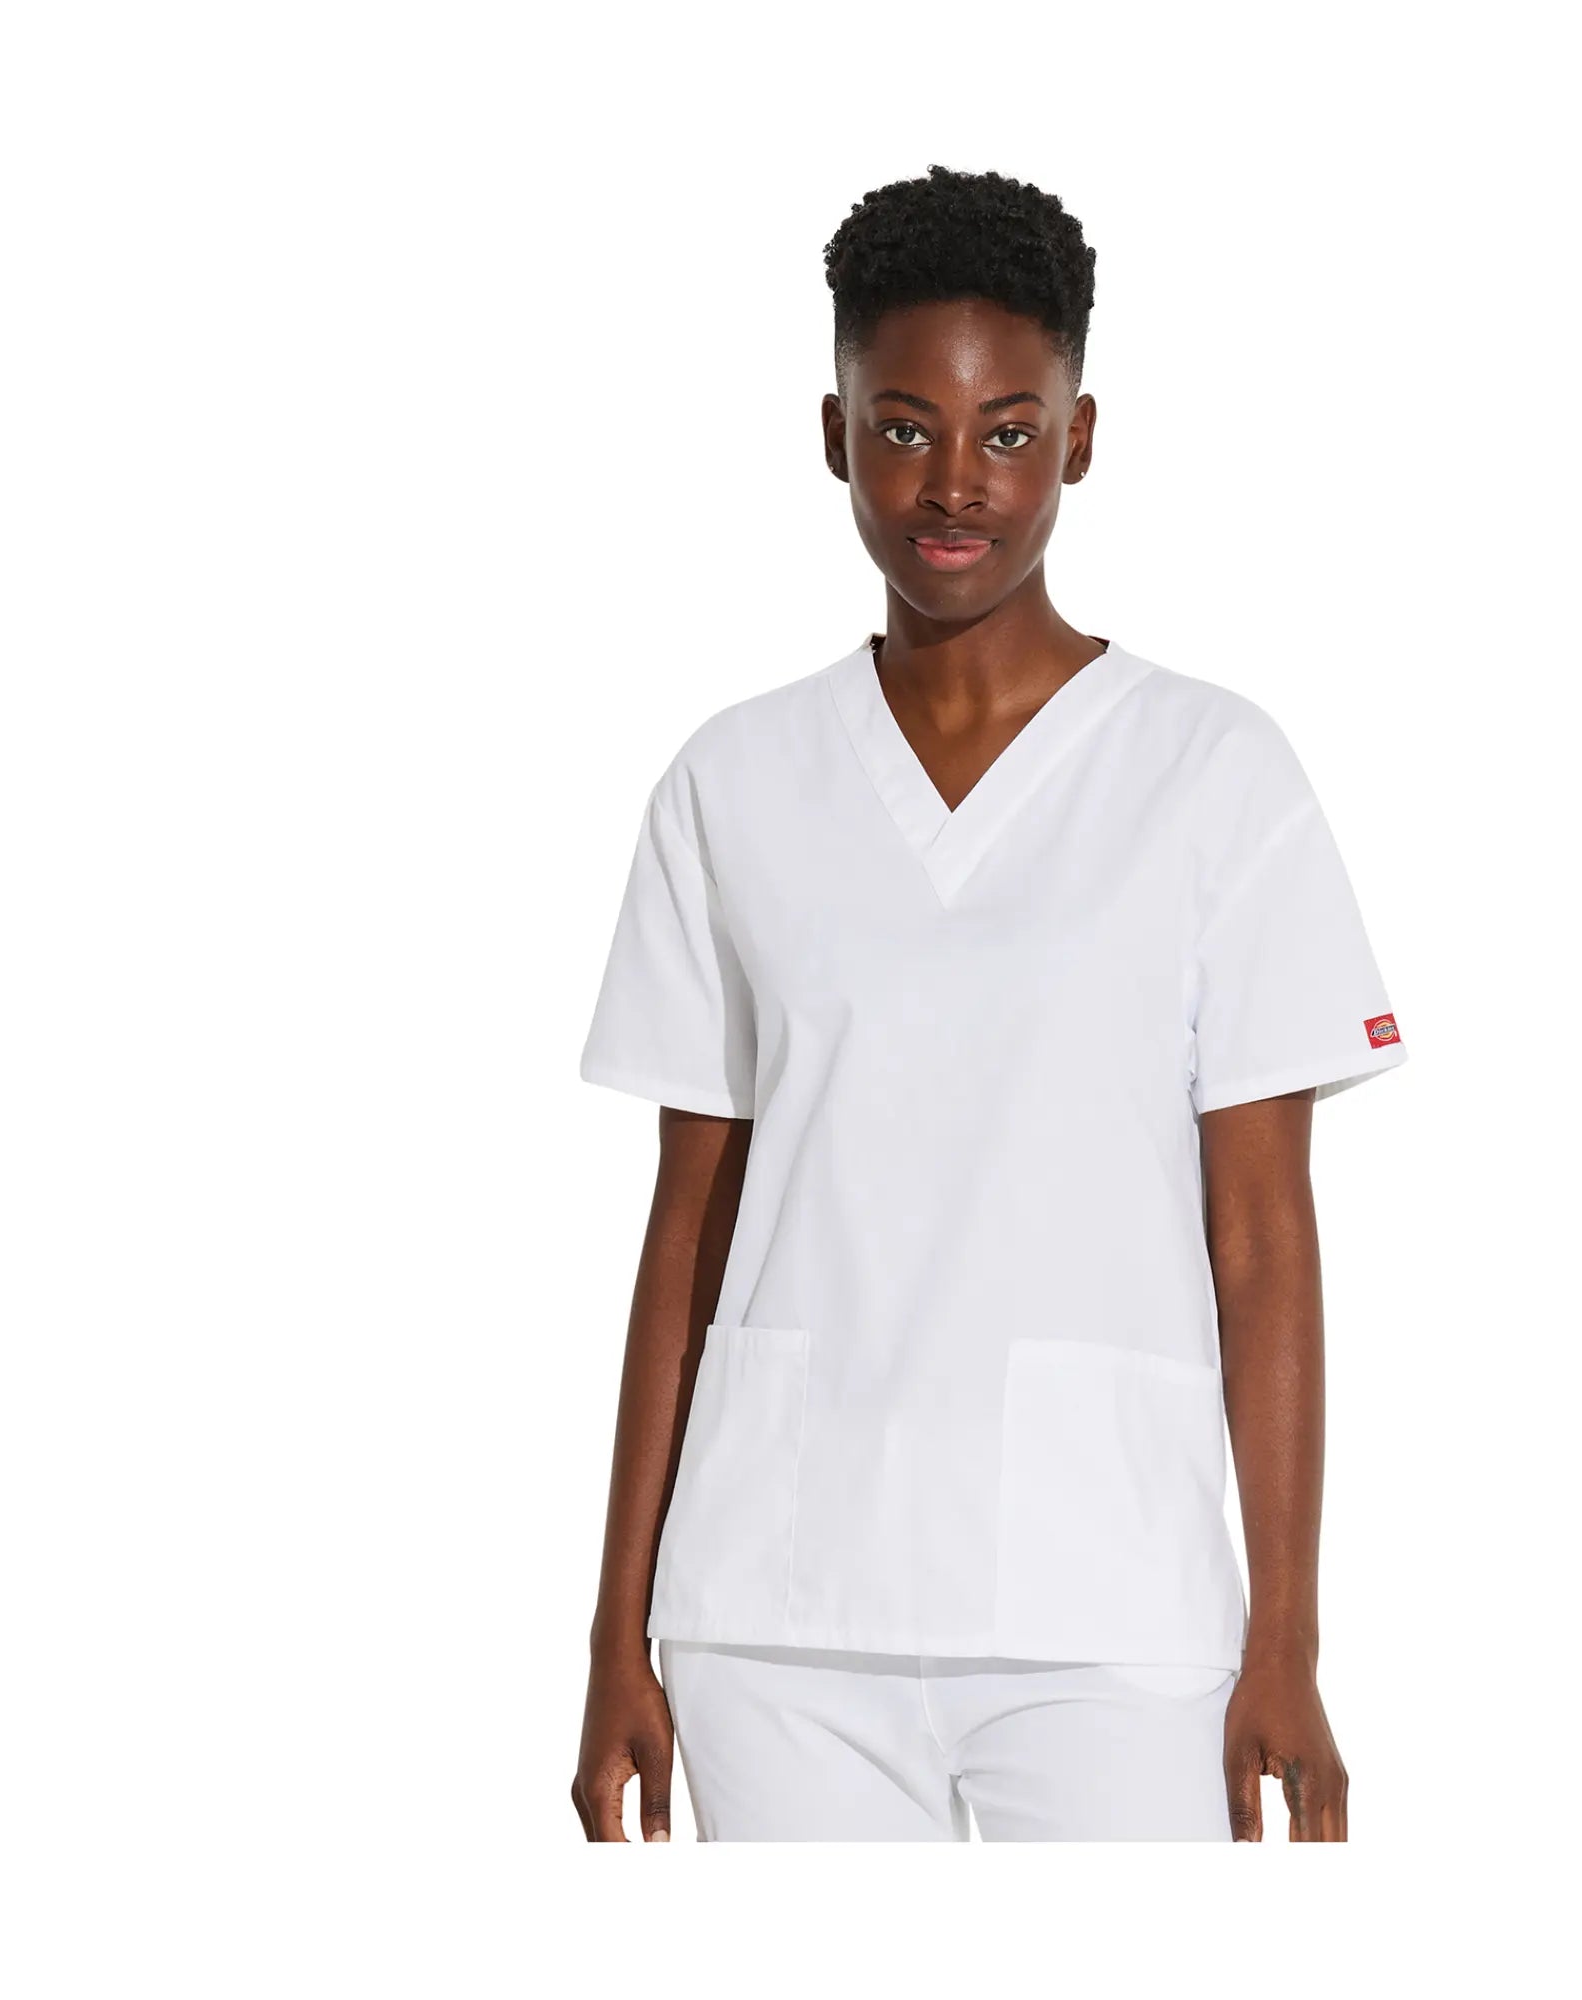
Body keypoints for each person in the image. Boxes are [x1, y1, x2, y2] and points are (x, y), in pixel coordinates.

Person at [569, 164, 1407, 1844]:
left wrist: (1289, 1643)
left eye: (1008, 433)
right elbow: (687, 1232)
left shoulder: (1214, 775)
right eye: (904, 428)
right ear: (834, 435)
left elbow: (1263, 1235)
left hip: (1113, 1611)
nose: (954, 483)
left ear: (1079, 440)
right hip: (778, 1613)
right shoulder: (732, 784)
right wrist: (613, 1639)